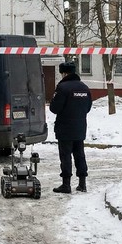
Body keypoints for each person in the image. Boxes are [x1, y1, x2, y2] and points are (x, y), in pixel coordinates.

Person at [49, 61, 92, 194]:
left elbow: (54, 108)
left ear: (64, 73)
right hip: (80, 127)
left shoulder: (62, 88)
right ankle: (82, 183)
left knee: (66, 155)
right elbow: (88, 107)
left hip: (65, 128)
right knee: (80, 154)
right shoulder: (84, 87)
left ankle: (66, 184)